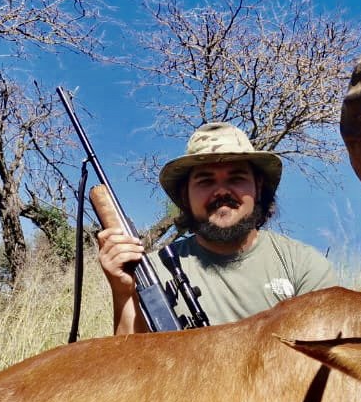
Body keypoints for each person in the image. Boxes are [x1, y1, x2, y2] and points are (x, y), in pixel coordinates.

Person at [97, 122, 336, 335]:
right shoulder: (152, 271)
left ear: (258, 187)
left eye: (236, 178)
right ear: (185, 195)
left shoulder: (303, 266)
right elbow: (132, 365)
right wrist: (122, 291)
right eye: (206, 181)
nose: (221, 191)